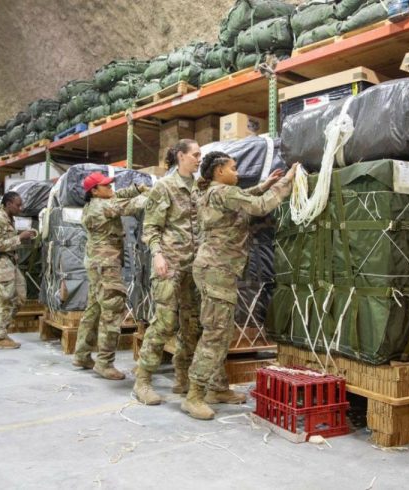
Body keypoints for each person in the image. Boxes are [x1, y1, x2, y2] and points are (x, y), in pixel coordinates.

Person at [181, 152, 298, 420]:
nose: (238, 173)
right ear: (219, 171)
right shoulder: (223, 191)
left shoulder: (212, 191)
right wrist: (286, 182)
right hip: (217, 270)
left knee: (220, 331)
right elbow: (259, 207)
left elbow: (245, 199)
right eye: (234, 168)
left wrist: (265, 184)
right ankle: (194, 395)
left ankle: (217, 388)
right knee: (215, 334)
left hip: (214, 269)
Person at [133, 139, 204, 405]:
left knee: (191, 324)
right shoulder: (164, 187)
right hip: (169, 265)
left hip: (193, 266)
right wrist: (158, 255)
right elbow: (150, 229)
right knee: (163, 323)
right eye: (196, 154)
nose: (199, 158)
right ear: (181, 156)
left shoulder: (198, 187)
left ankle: (182, 378)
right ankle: (143, 381)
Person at [72, 173, 149, 380]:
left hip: (97, 263)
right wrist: (154, 195)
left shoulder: (97, 202)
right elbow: (128, 206)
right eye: (105, 186)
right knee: (113, 309)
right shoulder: (102, 206)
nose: (110, 188)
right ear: (94, 191)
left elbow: (120, 196)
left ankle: (82, 354)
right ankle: (104, 363)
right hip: (106, 265)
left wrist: (136, 188)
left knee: (94, 308)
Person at [0, 191, 36, 349]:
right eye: (18, 205)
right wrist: (20, 238)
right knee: (4, 299)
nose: (20, 208)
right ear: (8, 204)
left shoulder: (8, 218)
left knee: (19, 296)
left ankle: (0, 330)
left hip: (9, 263)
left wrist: (21, 236)